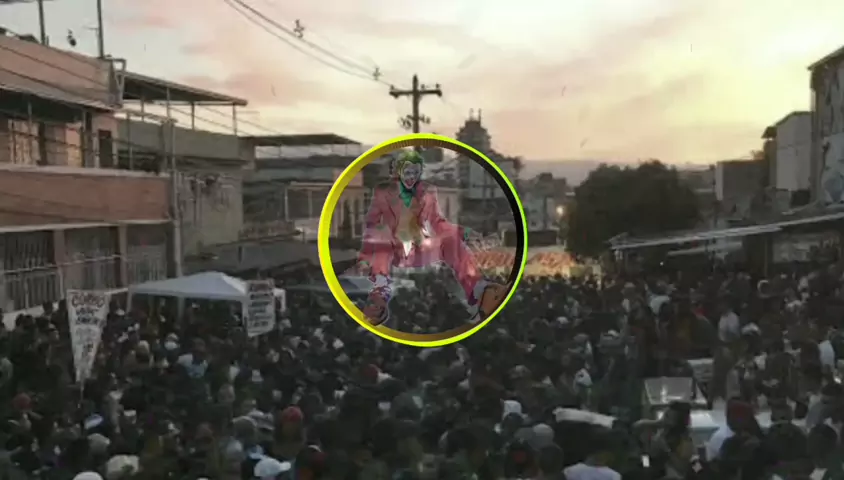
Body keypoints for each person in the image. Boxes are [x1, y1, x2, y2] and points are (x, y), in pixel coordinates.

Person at [356, 150, 509, 326]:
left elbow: (438, 222)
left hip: (419, 247)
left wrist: (464, 232)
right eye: (407, 172)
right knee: (381, 245)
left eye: (416, 172)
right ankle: (379, 297)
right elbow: (371, 223)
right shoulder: (383, 192)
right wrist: (369, 252)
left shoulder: (428, 192)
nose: (411, 177)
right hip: (393, 249)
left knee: (451, 242)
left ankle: (477, 290)